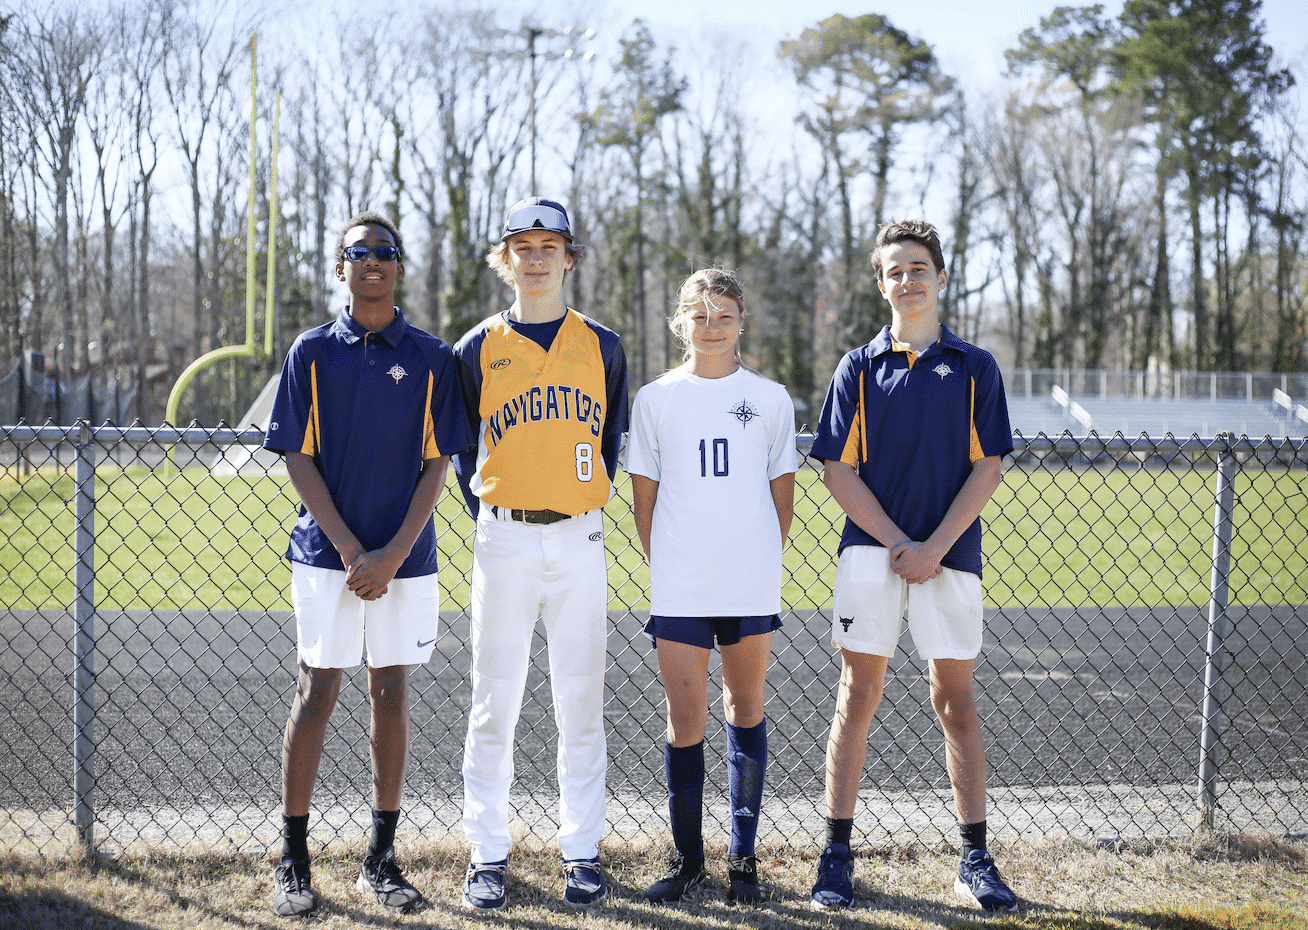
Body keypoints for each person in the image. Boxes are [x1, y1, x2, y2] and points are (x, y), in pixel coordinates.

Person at [262, 211, 472, 917]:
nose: (373, 262)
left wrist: (392, 553)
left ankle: (380, 858)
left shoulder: (432, 356)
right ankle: (293, 858)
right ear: (340, 266)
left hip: (405, 562)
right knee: (317, 693)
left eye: (385, 252)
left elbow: (438, 462)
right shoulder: (312, 352)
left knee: (391, 696)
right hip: (329, 559)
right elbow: (298, 455)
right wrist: (355, 551)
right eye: (360, 252)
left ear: (401, 267)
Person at [807, 220, 1017, 914]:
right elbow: (838, 472)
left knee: (955, 703)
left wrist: (934, 546)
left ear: (942, 277)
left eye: (919, 267)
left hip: (951, 554)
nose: (908, 279)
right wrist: (902, 542)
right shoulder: (858, 368)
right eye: (895, 270)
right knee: (856, 695)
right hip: (873, 553)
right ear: (881, 283)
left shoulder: (976, 366)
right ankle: (836, 855)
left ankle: (975, 858)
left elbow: (988, 468)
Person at [452, 197, 628, 911]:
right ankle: (487, 852)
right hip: (505, 536)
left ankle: (581, 849)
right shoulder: (477, 346)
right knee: (494, 700)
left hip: (581, 536)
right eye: (521, 245)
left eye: (548, 244)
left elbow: (610, 437)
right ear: (506, 260)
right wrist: (498, 515)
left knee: (580, 700)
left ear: (570, 258)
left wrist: (571, 497)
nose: (535, 256)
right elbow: (463, 448)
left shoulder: (603, 345)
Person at [626, 269, 797, 905]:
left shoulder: (770, 399)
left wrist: (750, 558)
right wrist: (673, 561)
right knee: (686, 716)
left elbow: (783, 500)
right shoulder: (656, 399)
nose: (712, 325)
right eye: (699, 314)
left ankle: (743, 859)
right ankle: (688, 859)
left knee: (745, 707)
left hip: (748, 579)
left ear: (742, 321)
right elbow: (644, 499)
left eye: (724, 314)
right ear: (680, 323)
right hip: (681, 583)